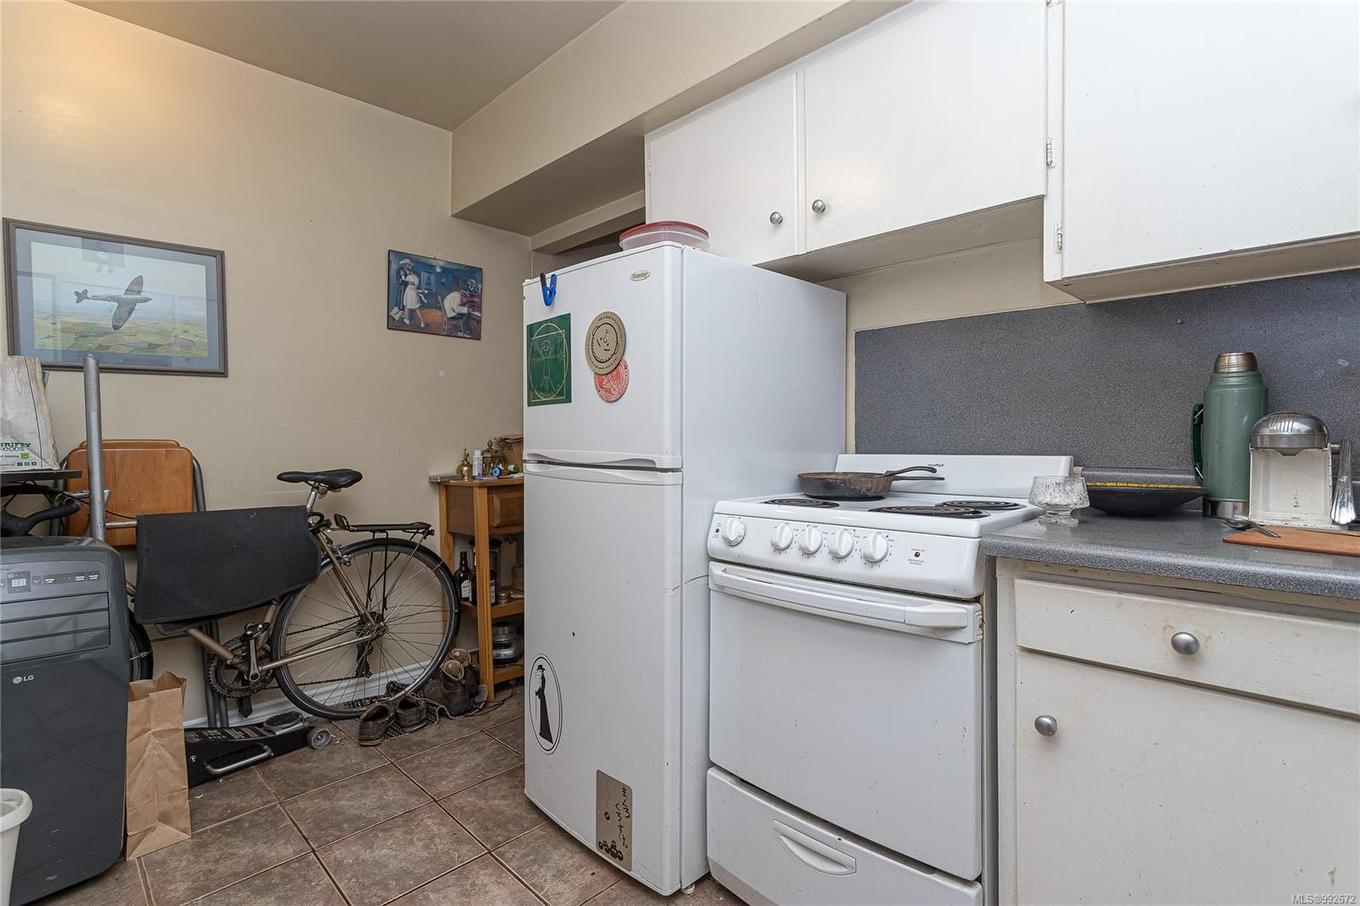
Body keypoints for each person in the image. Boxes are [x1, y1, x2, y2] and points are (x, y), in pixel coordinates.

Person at [396, 258, 421, 327]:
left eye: (410, 265)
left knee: (407, 302)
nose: (409, 266)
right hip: (402, 288)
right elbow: (399, 280)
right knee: (402, 302)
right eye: (408, 264)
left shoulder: (409, 271)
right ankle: (399, 317)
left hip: (409, 289)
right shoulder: (400, 270)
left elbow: (412, 279)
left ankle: (406, 317)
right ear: (405, 264)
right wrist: (408, 282)